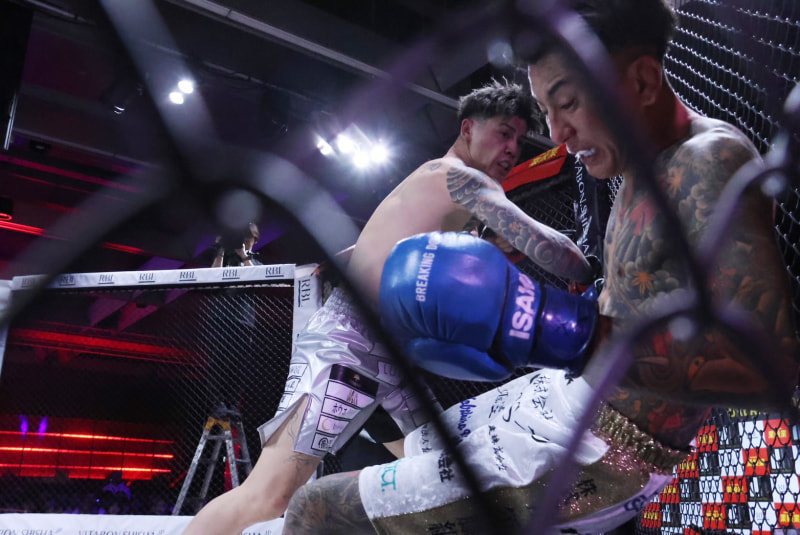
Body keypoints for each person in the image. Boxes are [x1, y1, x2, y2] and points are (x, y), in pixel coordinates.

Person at [281, 1, 800, 533]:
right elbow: (639, 300)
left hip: (606, 448)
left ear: (642, 81)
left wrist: (566, 332)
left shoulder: (707, 162)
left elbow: (775, 369)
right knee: (419, 440)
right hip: (569, 396)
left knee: (313, 508)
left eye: (568, 103)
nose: (556, 134)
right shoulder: (638, 164)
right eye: (546, 111)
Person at [180, 80, 594, 534]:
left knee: (444, 474)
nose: (513, 148)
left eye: (519, 138)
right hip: (348, 347)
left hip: (395, 360)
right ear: (468, 129)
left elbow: (374, 251)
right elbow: (548, 248)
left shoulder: (441, 192)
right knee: (268, 494)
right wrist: (592, 263)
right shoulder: (460, 178)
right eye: (503, 133)